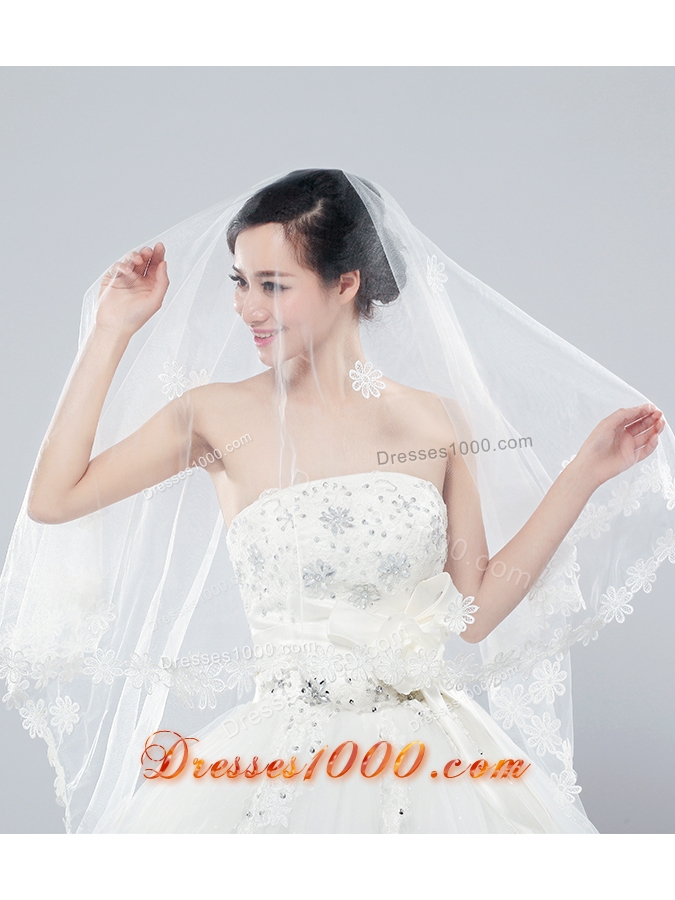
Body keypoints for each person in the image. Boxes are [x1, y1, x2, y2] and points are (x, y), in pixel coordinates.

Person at [1, 170, 672, 833]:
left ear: (345, 283)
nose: (247, 308)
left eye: (273, 285)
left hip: (428, 764)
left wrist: (583, 475)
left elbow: (472, 612)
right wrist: (111, 328)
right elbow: (55, 498)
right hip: (276, 759)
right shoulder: (216, 416)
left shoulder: (436, 422)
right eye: (240, 282)